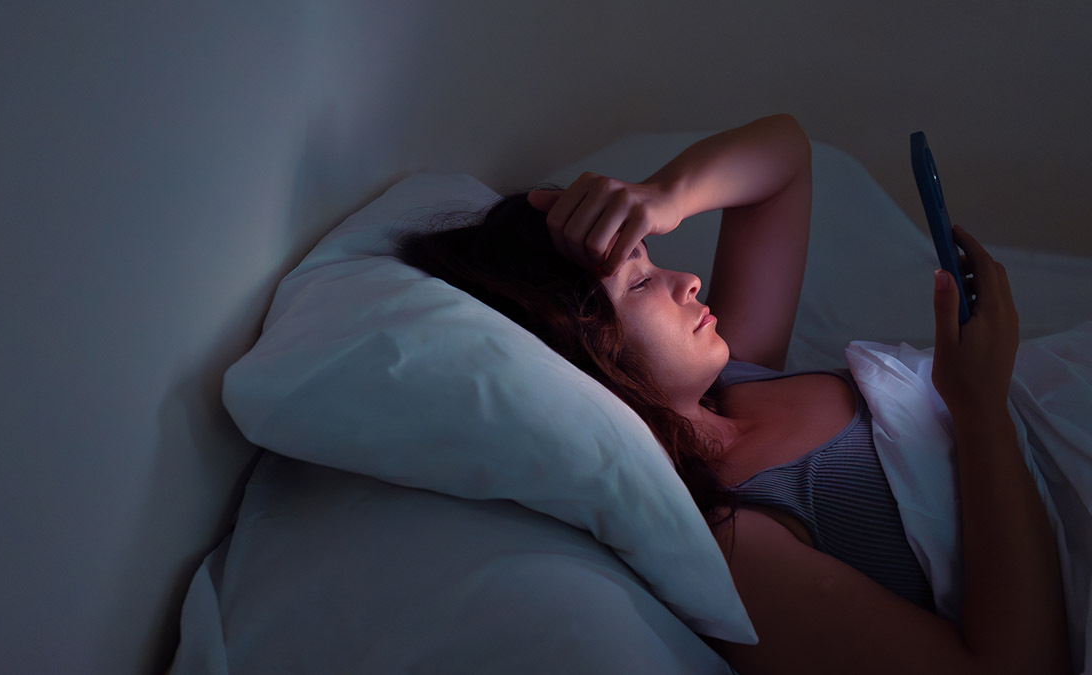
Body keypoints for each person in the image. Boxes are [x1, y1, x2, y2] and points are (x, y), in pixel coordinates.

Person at [395, 114, 1071, 674]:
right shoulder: (737, 539)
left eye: (651, 261)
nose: (685, 279)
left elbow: (785, 158)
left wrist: (662, 197)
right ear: (581, 356)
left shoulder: (734, 374)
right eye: (638, 284)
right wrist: (980, 408)